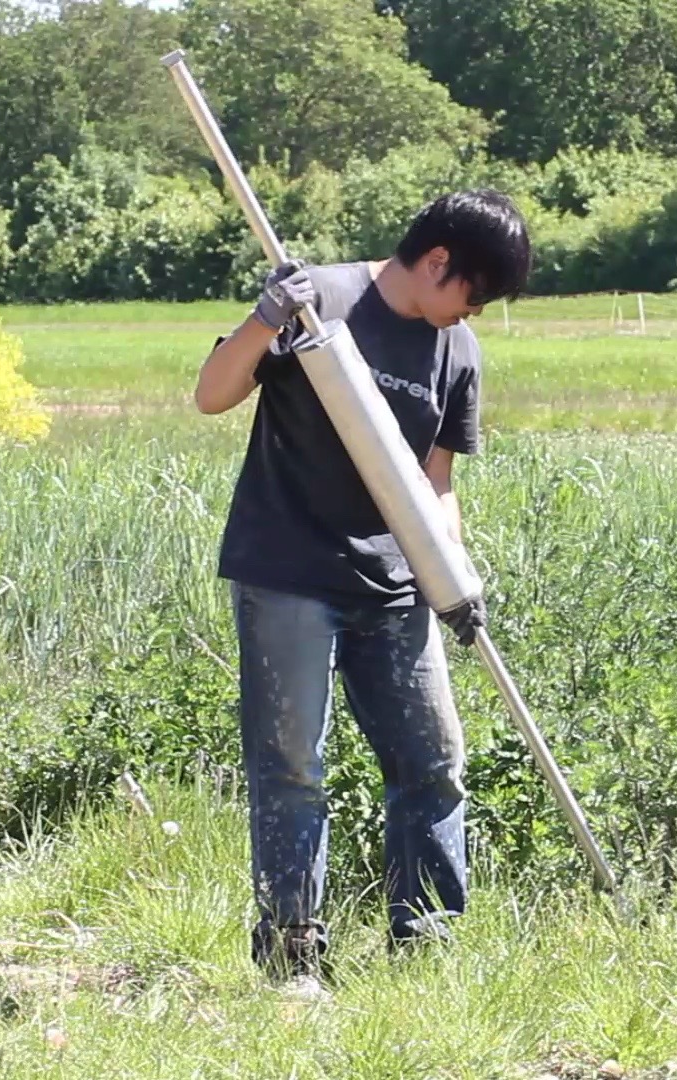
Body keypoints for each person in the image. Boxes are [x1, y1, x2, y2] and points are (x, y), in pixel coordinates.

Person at [193, 189, 531, 1001]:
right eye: (473, 293)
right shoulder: (322, 300)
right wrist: (266, 317)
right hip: (289, 573)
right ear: (438, 260)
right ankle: (291, 954)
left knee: (433, 764)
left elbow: (435, 483)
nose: (472, 312)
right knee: (292, 767)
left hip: (396, 584)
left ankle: (428, 945)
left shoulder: (459, 354)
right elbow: (211, 393)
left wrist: (454, 575)